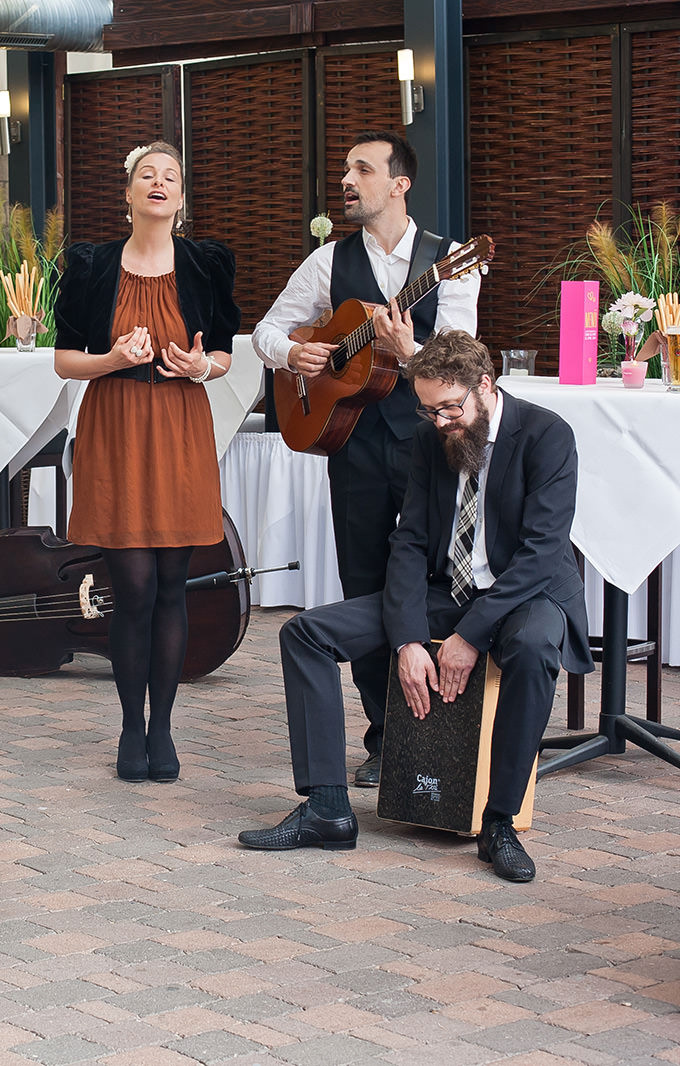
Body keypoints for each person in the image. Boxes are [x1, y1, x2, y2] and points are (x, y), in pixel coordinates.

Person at [236, 330, 589, 883]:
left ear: (485, 387)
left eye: (451, 407)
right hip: (445, 589)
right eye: (428, 411)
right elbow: (409, 543)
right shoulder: (429, 440)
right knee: (306, 634)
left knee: (535, 646)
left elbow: (541, 554)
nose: (442, 421)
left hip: (524, 594)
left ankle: (498, 823)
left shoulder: (547, 435)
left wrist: (469, 638)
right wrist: (406, 639)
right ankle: (327, 808)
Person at [251, 130, 482, 788]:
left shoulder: (452, 261)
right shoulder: (328, 263)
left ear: (399, 184)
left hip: (430, 447)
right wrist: (294, 354)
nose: (347, 180)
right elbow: (268, 328)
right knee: (363, 583)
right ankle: (383, 737)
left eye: (362, 169)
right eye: (345, 168)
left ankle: (440, 729)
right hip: (352, 444)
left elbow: (462, 363)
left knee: (432, 584)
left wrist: (412, 356)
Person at [53, 141, 240, 784]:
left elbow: (223, 355)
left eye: (170, 177)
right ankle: (130, 726)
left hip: (181, 425)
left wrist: (201, 366)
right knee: (130, 589)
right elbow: (64, 359)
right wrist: (111, 360)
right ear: (128, 194)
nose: (158, 184)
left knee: (169, 587)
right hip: (115, 424)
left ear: (180, 199)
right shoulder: (91, 264)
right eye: (146, 176)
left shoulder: (207, 263)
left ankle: (162, 728)